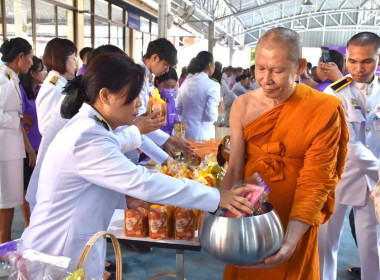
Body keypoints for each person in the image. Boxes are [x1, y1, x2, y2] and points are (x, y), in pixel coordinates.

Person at [21, 53, 254, 279]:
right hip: (57, 253)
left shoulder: (93, 127)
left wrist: (123, 199)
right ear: (105, 95)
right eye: (133, 96)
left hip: (72, 245)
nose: (140, 104)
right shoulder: (87, 137)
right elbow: (143, 182)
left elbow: (94, 176)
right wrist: (215, 198)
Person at [221, 27, 349, 279]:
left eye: (277, 70)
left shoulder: (322, 110)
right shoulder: (243, 105)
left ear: (300, 66)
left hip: (295, 217)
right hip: (250, 215)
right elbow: (234, 169)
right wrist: (221, 217)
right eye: (260, 68)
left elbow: (315, 182)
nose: (265, 79)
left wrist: (290, 241)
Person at [319, 31, 380, 280]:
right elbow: (349, 145)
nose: (358, 68)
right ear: (345, 60)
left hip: (371, 185)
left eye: (366, 61)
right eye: (352, 61)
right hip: (337, 178)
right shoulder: (334, 94)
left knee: (371, 248)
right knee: (325, 246)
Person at [134, 38, 193, 165]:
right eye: (165, 65)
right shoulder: (135, 76)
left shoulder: (143, 76)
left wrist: (166, 155)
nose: (167, 70)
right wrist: (170, 140)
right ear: (155, 58)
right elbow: (140, 121)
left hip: (137, 141)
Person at [0, 38, 34, 243]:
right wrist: (19, 119)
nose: (31, 63)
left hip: (11, 149)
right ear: (20, 56)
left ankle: (4, 247)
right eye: (29, 58)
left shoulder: (11, 77)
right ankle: (3, 248)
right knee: (6, 202)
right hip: (5, 150)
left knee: (9, 201)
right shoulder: (3, 79)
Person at [19, 56, 46, 227]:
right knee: (26, 188)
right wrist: (29, 149)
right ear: (32, 73)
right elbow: (18, 121)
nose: (45, 73)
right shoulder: (21, 90)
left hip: (41, 145)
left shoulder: (42, 90)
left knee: (38, 186)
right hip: (27, 146)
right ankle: (29, 223)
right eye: (42, 69)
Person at [36, 37, 77, 136]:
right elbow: (46, 127)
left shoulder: (60, 82)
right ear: (62, 59)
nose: (76, 63)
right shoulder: (52, 87)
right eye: (73, 58)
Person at [176, 51, 220, 140]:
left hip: (185, 131)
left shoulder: (186, 82)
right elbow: (210, 115)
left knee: (185, 154)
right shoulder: (213, 85)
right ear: (209, 65)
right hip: (202, 133)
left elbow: (178, 108)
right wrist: (218, 111)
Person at [154, 66, 180, 137]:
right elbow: (152, 131)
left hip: (170, 142)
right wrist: (166, 144)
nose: (170, 89)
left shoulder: (171, 100)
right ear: (157, 82)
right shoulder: (151, 101)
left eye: (173, 87)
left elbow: (176, 120)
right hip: (156, 144)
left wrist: (179, 125)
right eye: (166, 86)